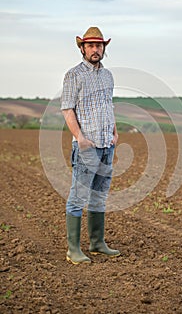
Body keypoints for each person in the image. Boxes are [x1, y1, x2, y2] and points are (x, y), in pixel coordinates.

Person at [61, 26, 120, 264]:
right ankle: (73, 249)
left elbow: (109, 105)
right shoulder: (73, 75)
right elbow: (67, 108)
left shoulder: (108, 75)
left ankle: (97, 243)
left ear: (104, 48)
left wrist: (115, 132)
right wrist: (80, 138)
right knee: (78, 197)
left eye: (99, 46)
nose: (95, 50)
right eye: (91, 46)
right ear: (82, 48)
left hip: (108, 144)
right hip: (87, 145)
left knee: (99, 196)